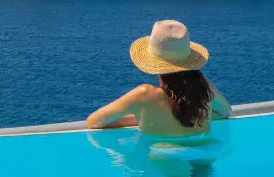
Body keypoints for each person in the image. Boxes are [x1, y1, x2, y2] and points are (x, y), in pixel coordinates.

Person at [86, 19, 231, 135]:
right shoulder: (204, 88)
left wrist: (140, 118)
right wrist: (196, 114)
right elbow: (225, 112)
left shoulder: (144, 95)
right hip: (204, 149)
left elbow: (94, 121)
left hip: (162, 154)